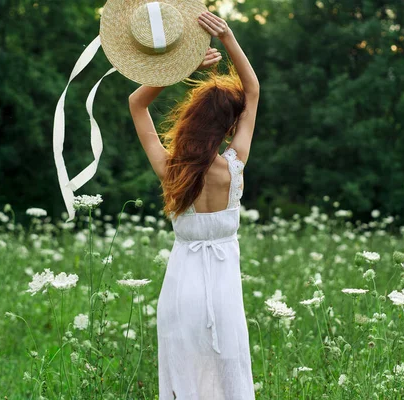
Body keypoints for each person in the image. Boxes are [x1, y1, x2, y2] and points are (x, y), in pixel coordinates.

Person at [128, 10, 259, 400]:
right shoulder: (234, 167)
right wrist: (229, 39)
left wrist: (177, 67)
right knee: (229, 367)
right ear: (229, 127)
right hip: (222, 290)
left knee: (182, 367)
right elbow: (252, 91)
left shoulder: (172, 169)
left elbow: (137, 104)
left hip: (180, 287)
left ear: (193, 119)